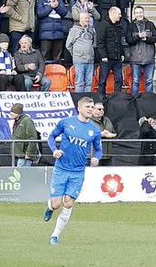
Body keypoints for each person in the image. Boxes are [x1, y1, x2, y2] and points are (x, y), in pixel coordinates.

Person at [43, 96, 104, 246]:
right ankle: (50, 207)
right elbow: (51, 137)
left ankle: (55, 235)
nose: (91, 109)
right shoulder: (66, 123)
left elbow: (98, 150)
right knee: (57, 204)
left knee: (68, 203)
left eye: (92, 107)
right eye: (88, 107)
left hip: (77, 172)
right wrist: (54, 150)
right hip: (61, 169)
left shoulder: (94, 131)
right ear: (80, 108)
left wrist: (96, 158)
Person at [7, 101, 41, 167]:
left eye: (13, 112)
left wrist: (29, 153)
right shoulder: (18, 121)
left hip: (25, 155)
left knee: (22, 173)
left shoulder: (27, 121)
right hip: (20, 154)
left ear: (18, 113)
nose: (11, 113)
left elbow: (32, 137)